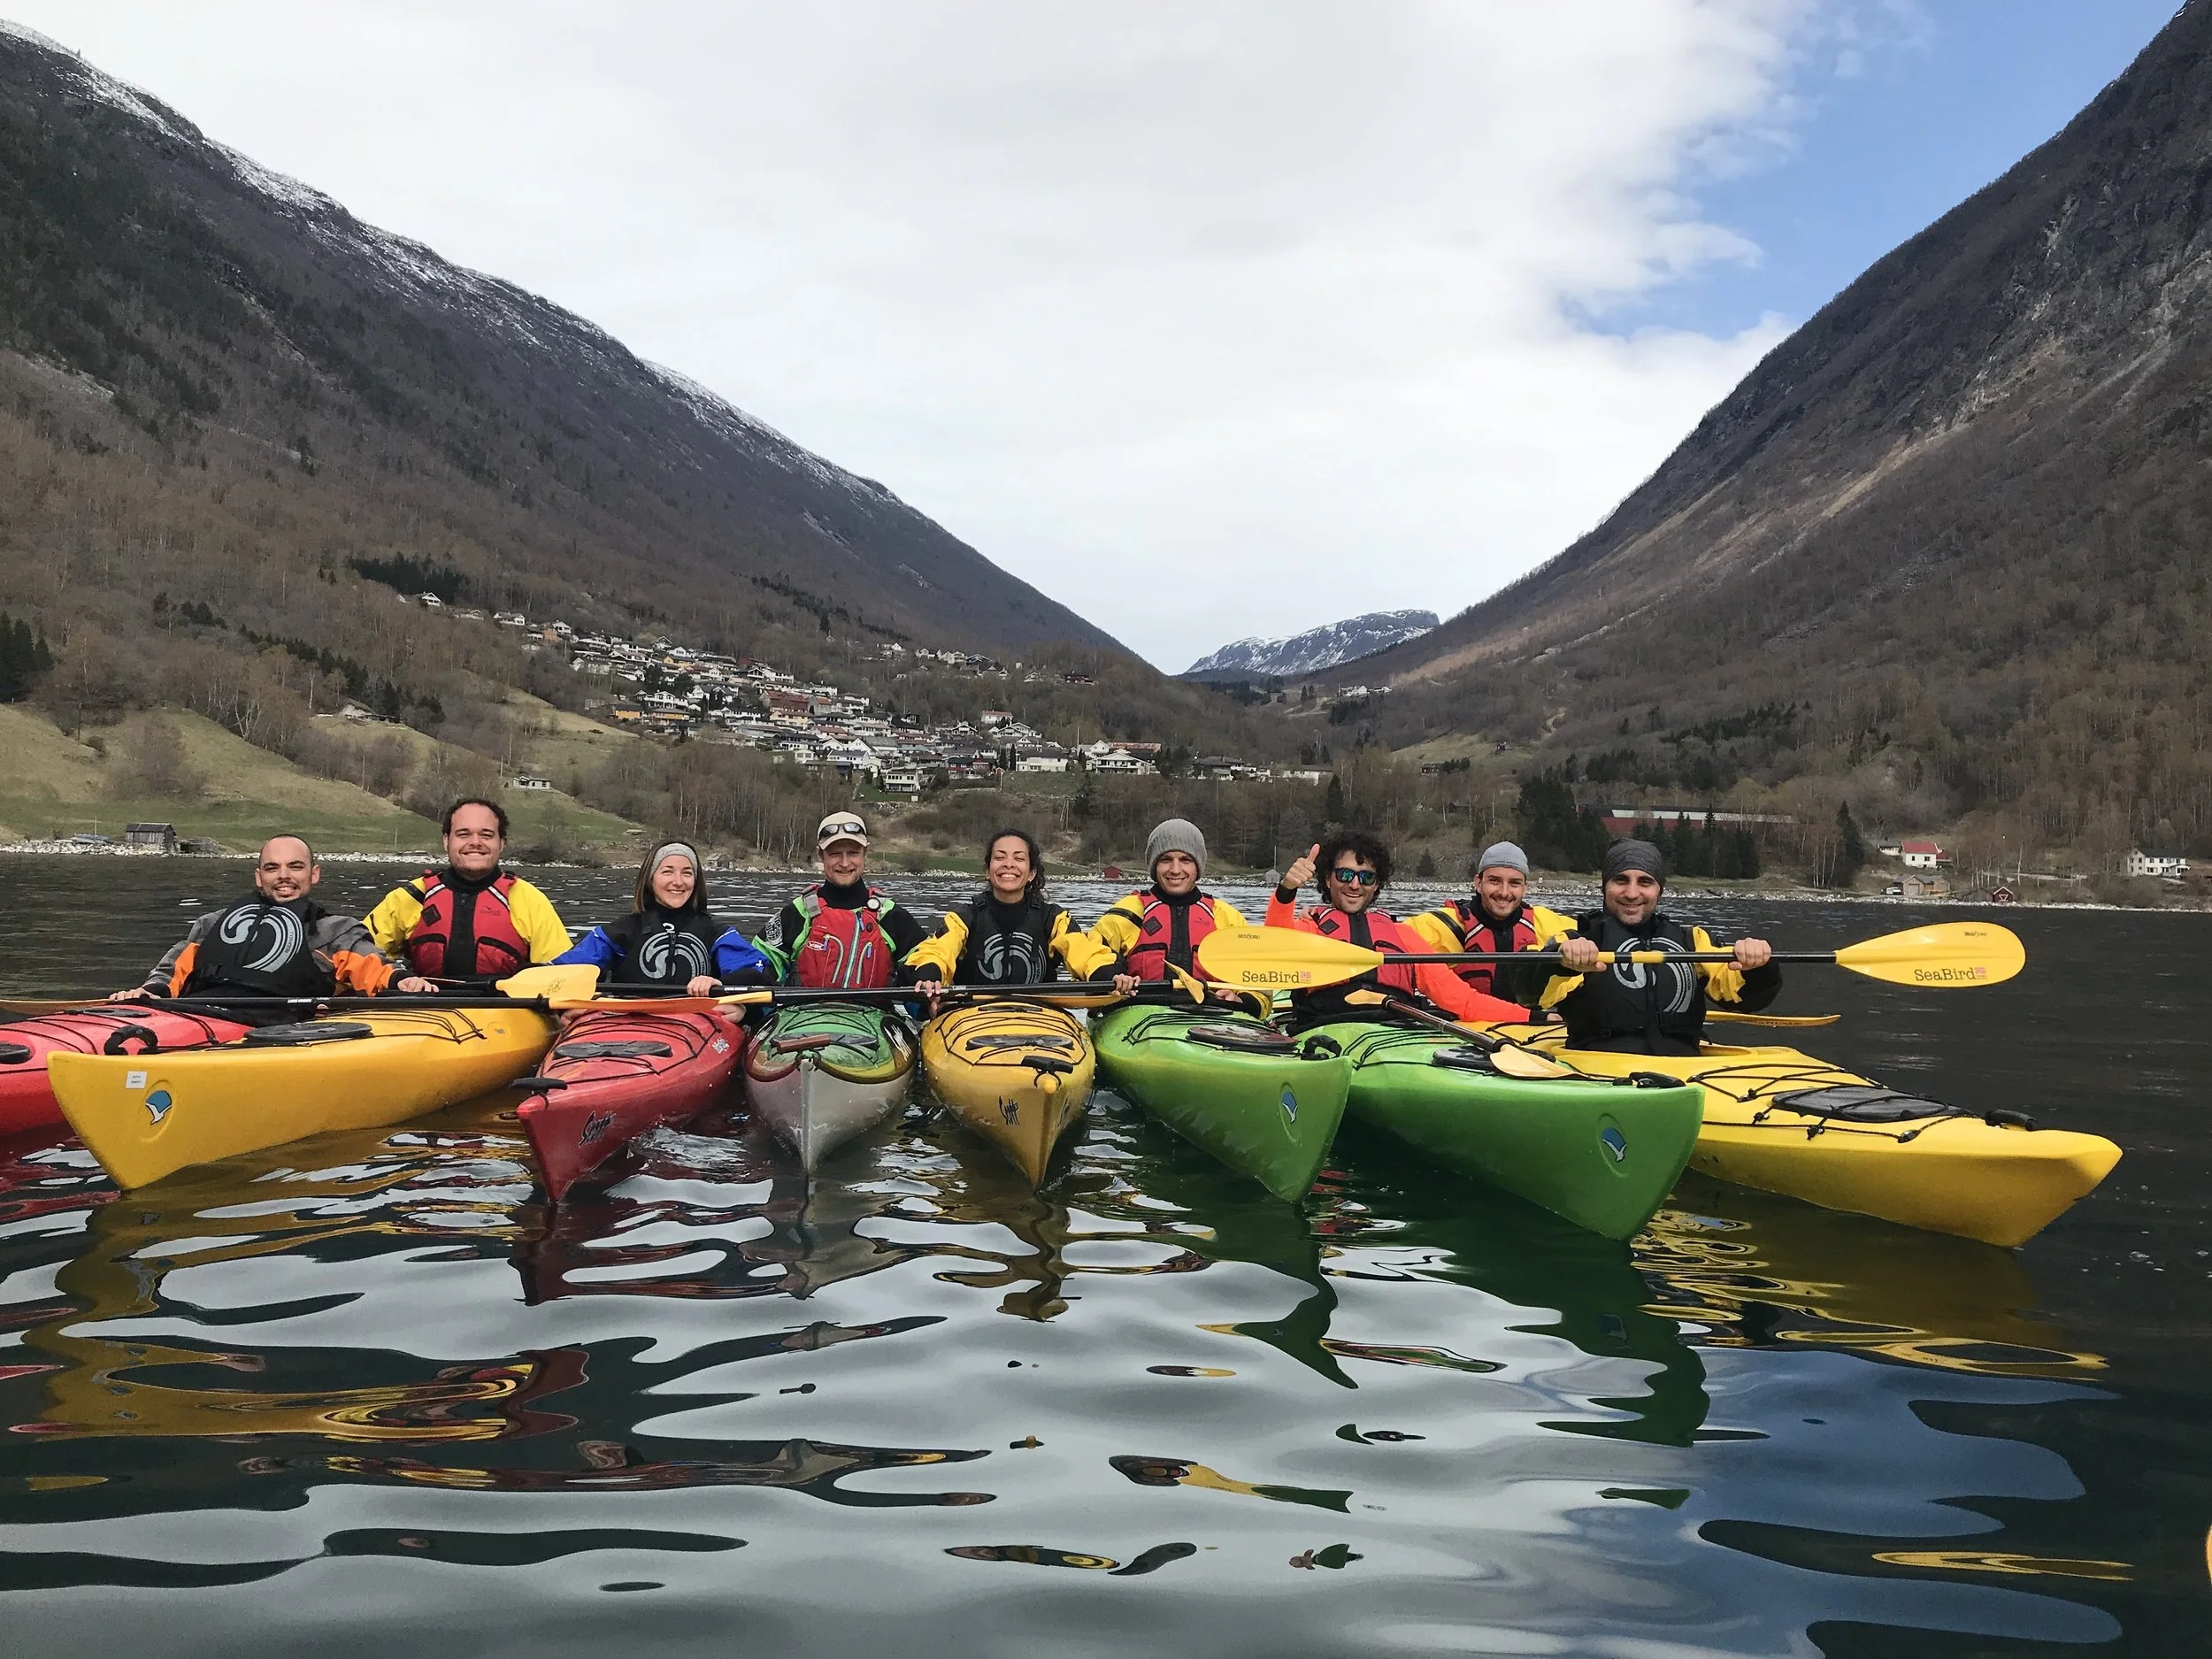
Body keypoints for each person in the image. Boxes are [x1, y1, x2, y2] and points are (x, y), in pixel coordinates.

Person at [1265, 833, 1528, 1030]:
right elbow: (1274, 947)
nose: (1355, 885)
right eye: (1345, 875)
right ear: (1327, 879)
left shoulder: (1403, 936)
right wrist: (1287, 890)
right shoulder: (1310, 928)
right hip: (1327, 1026)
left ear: (1376, 884)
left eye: (1366, 877)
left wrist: (1534, 1017)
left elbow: (1464, 1001)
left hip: (1395, 1032)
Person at [1544, 839, 1778, 1054]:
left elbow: (1745, 997)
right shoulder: (1578, 939)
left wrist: (1756, 965)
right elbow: (1531, 990)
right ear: (1605, 887)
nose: (1632, 893)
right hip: (1599, 1068)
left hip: (1681, 1069)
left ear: (1659, 890)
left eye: (1645, 882)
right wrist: (1561, 961)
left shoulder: (1692, 941)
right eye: (1621, 880)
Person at [112, 835, 403, 1001]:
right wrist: (149, 993)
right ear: (258, 877)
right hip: (201, 1016)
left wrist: (404, 981)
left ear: (314, 874)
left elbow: (377, 969)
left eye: (296, 867)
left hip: (283, 1028)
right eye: (272, 868)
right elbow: (169, 976)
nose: (284, 876)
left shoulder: (336, 932)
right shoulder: (213, 925)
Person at [365, 798, 572, 987]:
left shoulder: (530, 900)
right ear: (447, 841)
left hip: (507, 1011)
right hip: (425, 1007)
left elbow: (560, 973)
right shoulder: (410, 897)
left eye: (486, 835)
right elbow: (359, 954)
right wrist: (398, 977)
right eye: (463, 834)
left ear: (501, 843)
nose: (475, 842)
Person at [556, 841, 778, 994]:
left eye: (687, 873)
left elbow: (758, 971)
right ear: (651, 879)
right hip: (630, 1023)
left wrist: (719, 983)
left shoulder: (716, 933)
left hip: (695, 1024)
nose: (678, 882)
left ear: (696, 881)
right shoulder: (620, 932)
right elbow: (563, 971)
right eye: (667, 871)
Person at [908, 828, 1111, 995]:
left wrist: (1107, 975)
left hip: (1037, 1016)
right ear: (988, 871)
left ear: (1031, 873)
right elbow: (938, 950)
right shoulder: (963, 918)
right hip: (971, 1014)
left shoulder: (1054, 919)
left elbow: (1084, 951)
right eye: (999, 857)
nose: (1009, 864)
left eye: (1019, 858)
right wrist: (929, 973)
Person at [1087, 818, 1249, 995]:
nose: (1175, 870)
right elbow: (1089, 956)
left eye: (1185, 860)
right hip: (1138, 1012)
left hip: (1211, 1016)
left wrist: (1242, 999)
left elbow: (1254, 976)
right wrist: (1111, 978)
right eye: (1166, 860)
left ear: (1198, 866)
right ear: (1155, 866)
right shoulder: (1127, 913)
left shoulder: (1228, 919)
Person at [771, 812, 932, 988]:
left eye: (853, 853)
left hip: (874, 1013)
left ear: (865, 853)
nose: (845, 863)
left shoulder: (891, 916)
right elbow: (760, 962)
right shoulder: (796, 913)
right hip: (803, 1013)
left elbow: (925, 960)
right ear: (820, 855)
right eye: (835, 854)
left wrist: (926, 979)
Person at [1407, 841, 1575, 1009]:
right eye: (1494, 881)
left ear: (1525, 888)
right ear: (1479, 884)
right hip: (1465, 1025)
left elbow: (1596, 931)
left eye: (1514, 883)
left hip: (1533, 1024)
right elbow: (1391, 936)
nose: (1504, 892)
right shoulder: (1444, 925)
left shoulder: (1546, 922)